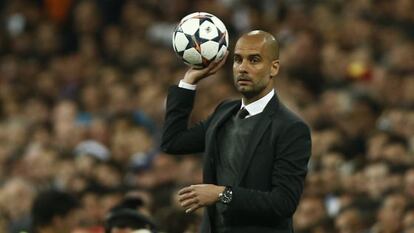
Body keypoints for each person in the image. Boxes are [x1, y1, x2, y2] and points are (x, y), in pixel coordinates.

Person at [161, 30, 312, 233]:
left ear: (274, 68)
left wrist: (222, 194)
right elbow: (173, 142)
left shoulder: (291, 128)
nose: (243, 68)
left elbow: (283, 203)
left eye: (254, 60)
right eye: (238, 60)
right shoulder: (224, 112)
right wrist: (189, 81)